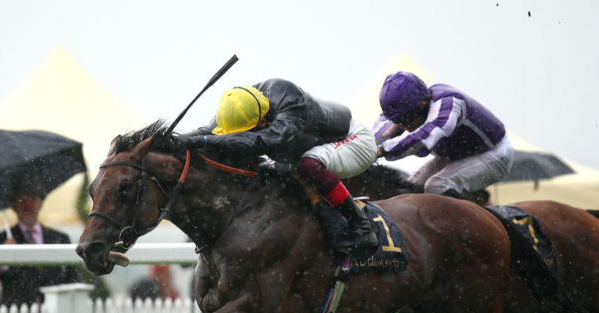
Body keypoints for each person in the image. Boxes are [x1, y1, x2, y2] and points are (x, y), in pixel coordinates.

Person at [173, 79, 378, 255]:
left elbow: (267, 141)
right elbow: (206, 132)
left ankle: (361, 226)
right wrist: (167, 140)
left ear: (262, 121)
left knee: (308, 165)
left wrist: (207, 141)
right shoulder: (238, 106)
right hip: (307, 150)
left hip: (354, 140)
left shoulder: (290, 101)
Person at [373, 71, 514, 199]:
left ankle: (473, 224)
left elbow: (422, 138)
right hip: (456, 156)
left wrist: (382, 150)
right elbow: (375, 136)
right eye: (396, 120)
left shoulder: (449, 103)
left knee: (436, 186)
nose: (401, 125)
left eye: (404, 119)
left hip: (495, 154)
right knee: (410, 189)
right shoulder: (412, 102)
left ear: (422, 105)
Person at [0, 173, 80, 306]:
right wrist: (2, 259)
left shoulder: (60, 238)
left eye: (32, 199)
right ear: (13, 206)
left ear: (40, 203)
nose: (28, 206)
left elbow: (73, 280)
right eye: (22, 200)